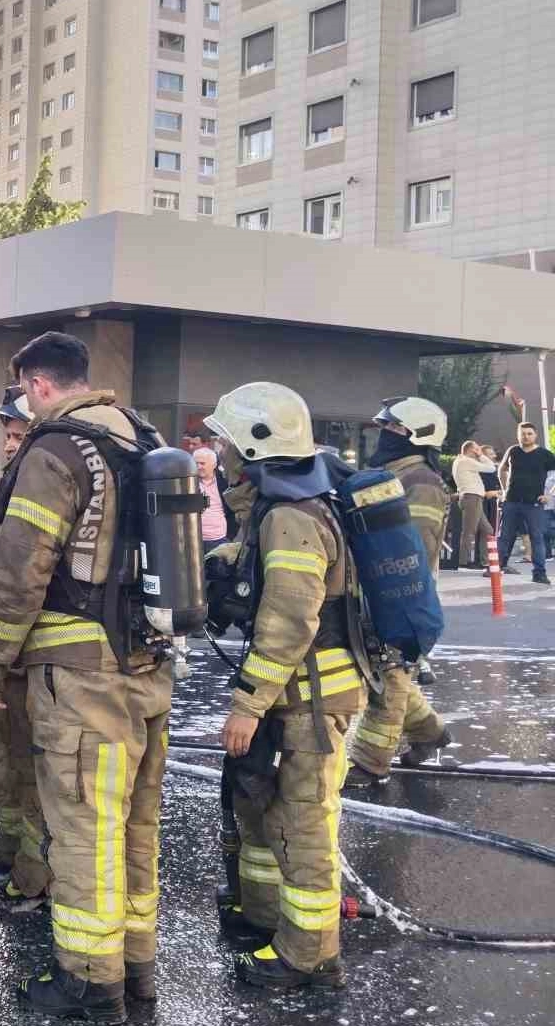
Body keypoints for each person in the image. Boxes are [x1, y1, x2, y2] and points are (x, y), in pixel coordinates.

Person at [0, 332, 171, 1022]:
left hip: (83, 678)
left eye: (25, 388)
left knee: (85, 829)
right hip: (146, 665)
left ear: (37, 383)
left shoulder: (58, 450)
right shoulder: (141, 440)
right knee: (135, 828)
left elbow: (18, 570)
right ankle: (137, 969)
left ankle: (90, 983)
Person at [204, 382, 362, 991]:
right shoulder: (279, 510)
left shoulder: (293, 518)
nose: (218, 453)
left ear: (253, 447)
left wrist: (246, 706)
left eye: (224, 442)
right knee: (264, 810)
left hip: (309, 699)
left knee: (302, 825)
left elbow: (289, 623)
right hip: (292, 694)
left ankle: (310, 955)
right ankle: (265, 917)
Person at [0, 389, 55, 914]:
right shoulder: (15, 481)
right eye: (8, 434)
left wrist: (0, 652)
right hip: (3, 648)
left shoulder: (42, 484)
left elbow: (27, 575)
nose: (7, 444)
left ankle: (33, 868)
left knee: (26, 764)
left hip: (25, 654)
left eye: (18, 435)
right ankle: (11, 845)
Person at [344, 396, 453, 783]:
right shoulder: (391, 474)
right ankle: (431, 734)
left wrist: (389, 600)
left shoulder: (420, 482)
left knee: (389, 672)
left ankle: (371, 764)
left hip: (397, 596)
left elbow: (413, 554)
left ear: (416, 435)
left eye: (393, 429)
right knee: (391, 672)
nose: (385, 435)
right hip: (374, 592)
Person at [496, 422, 555, 586]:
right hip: (512, 501)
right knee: (504, 536)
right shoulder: (513, 451)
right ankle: (497, 567)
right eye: (523, 433)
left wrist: (549, 495)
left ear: (535, 435)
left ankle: (539, 573)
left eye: (529, 433)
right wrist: (504, 489)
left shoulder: (544, 454)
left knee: (537, 538)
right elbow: (502, 469)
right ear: (518, 435)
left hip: (534, 503)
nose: (526, 436)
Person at [452, 441, 497, 570]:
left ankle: (485, 561)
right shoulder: (466, 461)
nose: (479, 452)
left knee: (488, 530)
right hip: (472, 497)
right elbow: (491, 468)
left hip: (473, 498)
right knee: (468, 531)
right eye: (477, 449)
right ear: (471, 450)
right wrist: (482, 456)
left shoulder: (461, 461)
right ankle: (463, 562)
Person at [194, 447, 234, 554]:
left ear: (214, 465)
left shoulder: (225, 482)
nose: (198, 467)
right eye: (195, 463)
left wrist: (229, 537)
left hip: (220, 539)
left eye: (202, 463)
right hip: (194, 540)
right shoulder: (188, 482)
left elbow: (233, 510)